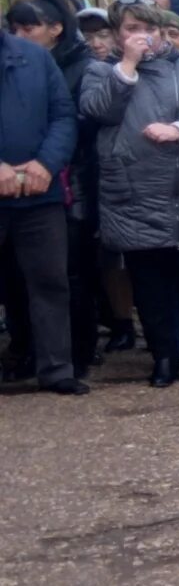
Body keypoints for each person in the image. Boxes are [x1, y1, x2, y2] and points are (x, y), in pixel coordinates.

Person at [82, 4, 179, 387]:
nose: (142, 34)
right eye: (132, 28)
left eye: (149, 27)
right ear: (118, 35)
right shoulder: (101, 71)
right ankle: (164, 357)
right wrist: (127, 66)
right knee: (150, 285)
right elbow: (98, 110)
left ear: (164, 31)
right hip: (134, 194)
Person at [0, 22, 79, 393]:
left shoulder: (34, 56)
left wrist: (46, 164)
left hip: (38, 191)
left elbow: (63, 116)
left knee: (50, 281)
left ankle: (57, 369)